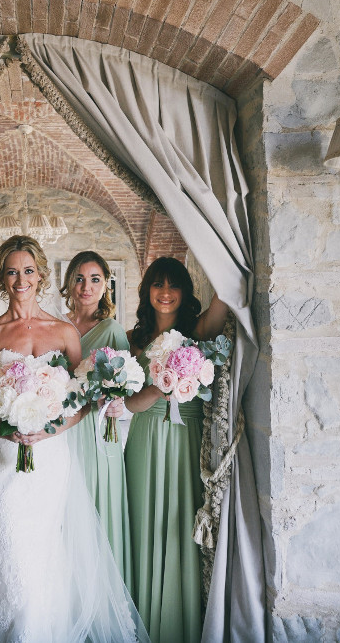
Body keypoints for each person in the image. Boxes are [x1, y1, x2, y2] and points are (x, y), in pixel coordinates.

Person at [0, 235, 149, 643]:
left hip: (50, 456)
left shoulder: (64, 333)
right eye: (11, 271)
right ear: (1, 278)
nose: (20, 279)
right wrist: (9, 431)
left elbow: (80, 402)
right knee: (8, 550)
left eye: (28, 270)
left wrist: (45, 432)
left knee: (44, 551)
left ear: (41, 276)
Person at [117, 257, 228, 643]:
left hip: (189, 436)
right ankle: (143, 617)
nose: (166, 293)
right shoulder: (133, 339)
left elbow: (224, 299)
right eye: (158, 285)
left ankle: (179, 623)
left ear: (184, 292)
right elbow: (128, 404)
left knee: (182, 519)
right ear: (147, 291)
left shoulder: (197, 331)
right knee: (145, 517)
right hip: (146, 435)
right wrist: (162, 386)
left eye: (174, 285)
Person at [59, 250, 132, 579]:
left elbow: (126, 383)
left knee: (96, 502)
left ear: (106, 285)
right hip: (62, 428)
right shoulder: (57, 327)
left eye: (94, 279)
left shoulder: (112, 330)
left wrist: (117, 400)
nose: (85, 287)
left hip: (98, 429)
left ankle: (103, 586)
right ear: (69, 283)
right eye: (78, 278)